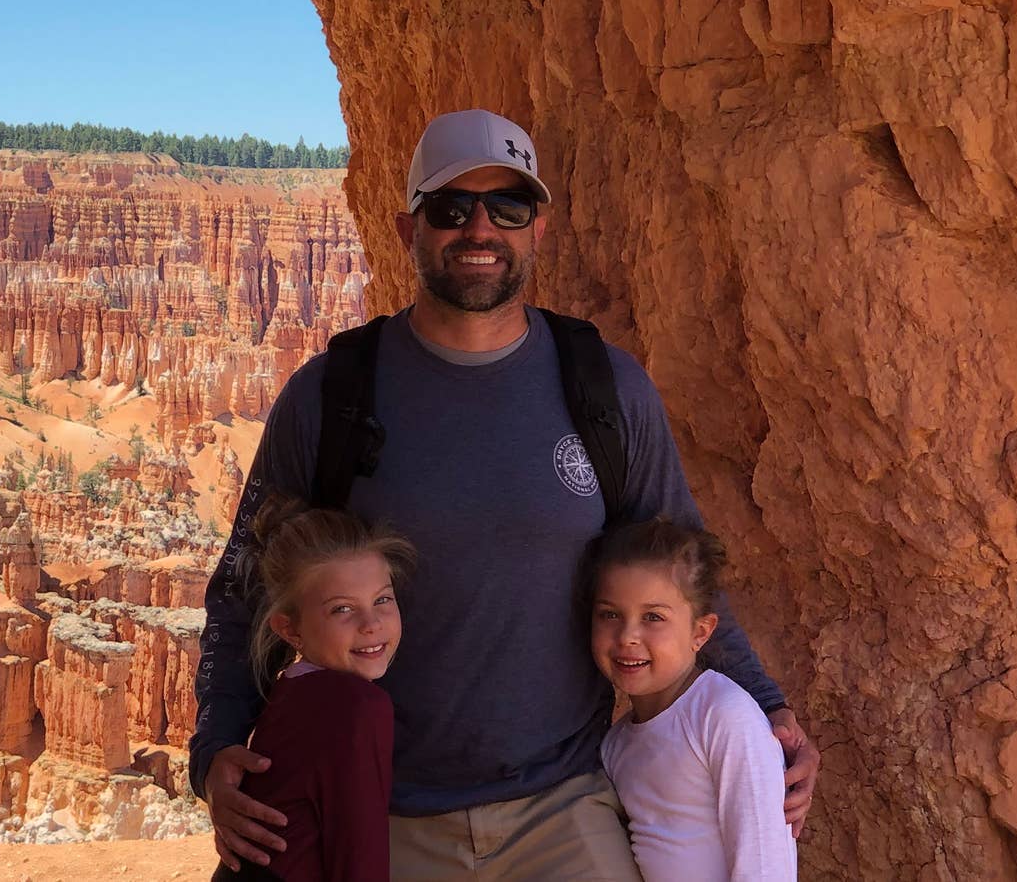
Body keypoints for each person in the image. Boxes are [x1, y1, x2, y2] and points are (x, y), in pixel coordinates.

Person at [192, 108, 820, 880]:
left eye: (508, 207)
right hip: (377, 814)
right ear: (408, 228)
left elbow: (682, 568)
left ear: (539, 229)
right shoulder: (331, 397)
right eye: (452, 209)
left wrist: (768, 709)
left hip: (561, 806)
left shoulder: (604, 389)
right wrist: (215, 748)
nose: (480, 228)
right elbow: (244, 588)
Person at [211, 499, 415, 882]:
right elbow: (359, 860)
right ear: (289, 629)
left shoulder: (292, 688)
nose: (371, 623)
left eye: (383, 599)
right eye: (342, 609)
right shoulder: (359, 707)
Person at [587, 518, 797, 881]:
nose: (627, 636)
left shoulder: (723, 716)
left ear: (700, 632)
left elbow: (765, 860)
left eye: (653, 617)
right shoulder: (616, 745)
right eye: (610, 614)